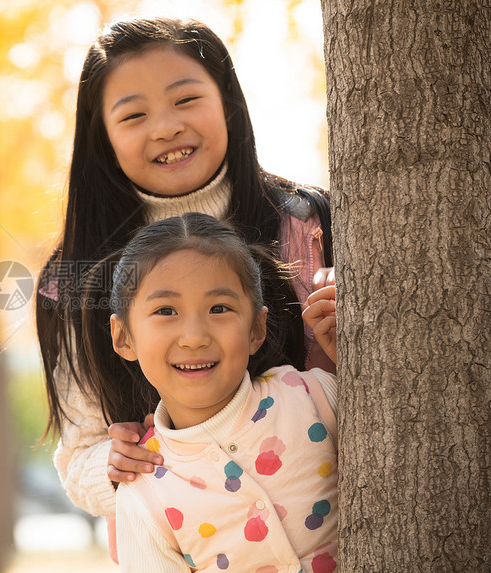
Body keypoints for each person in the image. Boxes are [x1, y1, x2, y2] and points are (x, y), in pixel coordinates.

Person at [36, 16, 335, 523]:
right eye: (132, 116)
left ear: (228, 104)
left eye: (186, 100)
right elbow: (79, 451)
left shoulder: (308, 225)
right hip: (181, 545)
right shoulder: (72, 282)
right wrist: (112, 467)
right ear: (102, 138)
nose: (166, 127)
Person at [86, 212, 338, 571]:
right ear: (124, 338)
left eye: (219, 308)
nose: (195, 337)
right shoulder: (145, 493)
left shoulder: (313, 398)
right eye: (166, 310)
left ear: (256, 328)